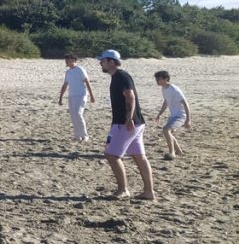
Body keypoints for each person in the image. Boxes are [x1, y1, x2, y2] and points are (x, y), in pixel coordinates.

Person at [98, 50, 155, 200]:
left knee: (111, 155)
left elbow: (130, 96)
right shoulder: (117, 77)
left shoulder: (121, 76)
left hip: (126, 123)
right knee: (139, 156)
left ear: (111, 61)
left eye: (102, 61)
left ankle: (123, 190)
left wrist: (128, 117)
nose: (101, 63)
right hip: (136, 123)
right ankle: (148, 192)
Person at [154, 70, 192, 160]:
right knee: (168, 132)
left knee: (166, 130)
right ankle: (179, 152)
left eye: (159, 79)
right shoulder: (164, 89)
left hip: (181, 116)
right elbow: (166, 102)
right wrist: (159, 114)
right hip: (173, 115)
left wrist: (188, 120)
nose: (157, 81)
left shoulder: (174, 89)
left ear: (166, 78)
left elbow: (185, 103)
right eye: (156, 79)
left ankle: (172, 153)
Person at [58, 54, 96, 142]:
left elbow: (87, 82)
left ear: (73, 60)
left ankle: (84, 135)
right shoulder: (68, 72)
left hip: (81, 95)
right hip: (71, 96)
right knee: (73, 115)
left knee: (78, 114)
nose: (66, 62)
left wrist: (91, 96)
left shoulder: (80, 69)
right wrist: (60, 97)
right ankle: (77, 135)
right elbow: (65, 85)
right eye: (66, 60)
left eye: (68, 60)